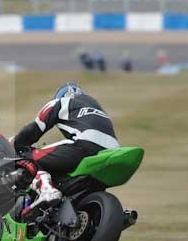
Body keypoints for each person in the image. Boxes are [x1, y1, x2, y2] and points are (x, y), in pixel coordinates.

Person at [13, 82, 120, 215]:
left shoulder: (61, 101)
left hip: (85, 144)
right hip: (112, 150)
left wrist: (17, 144)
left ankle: (47, 190)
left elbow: (36, 127)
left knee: (28, 155)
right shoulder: (96, 107)